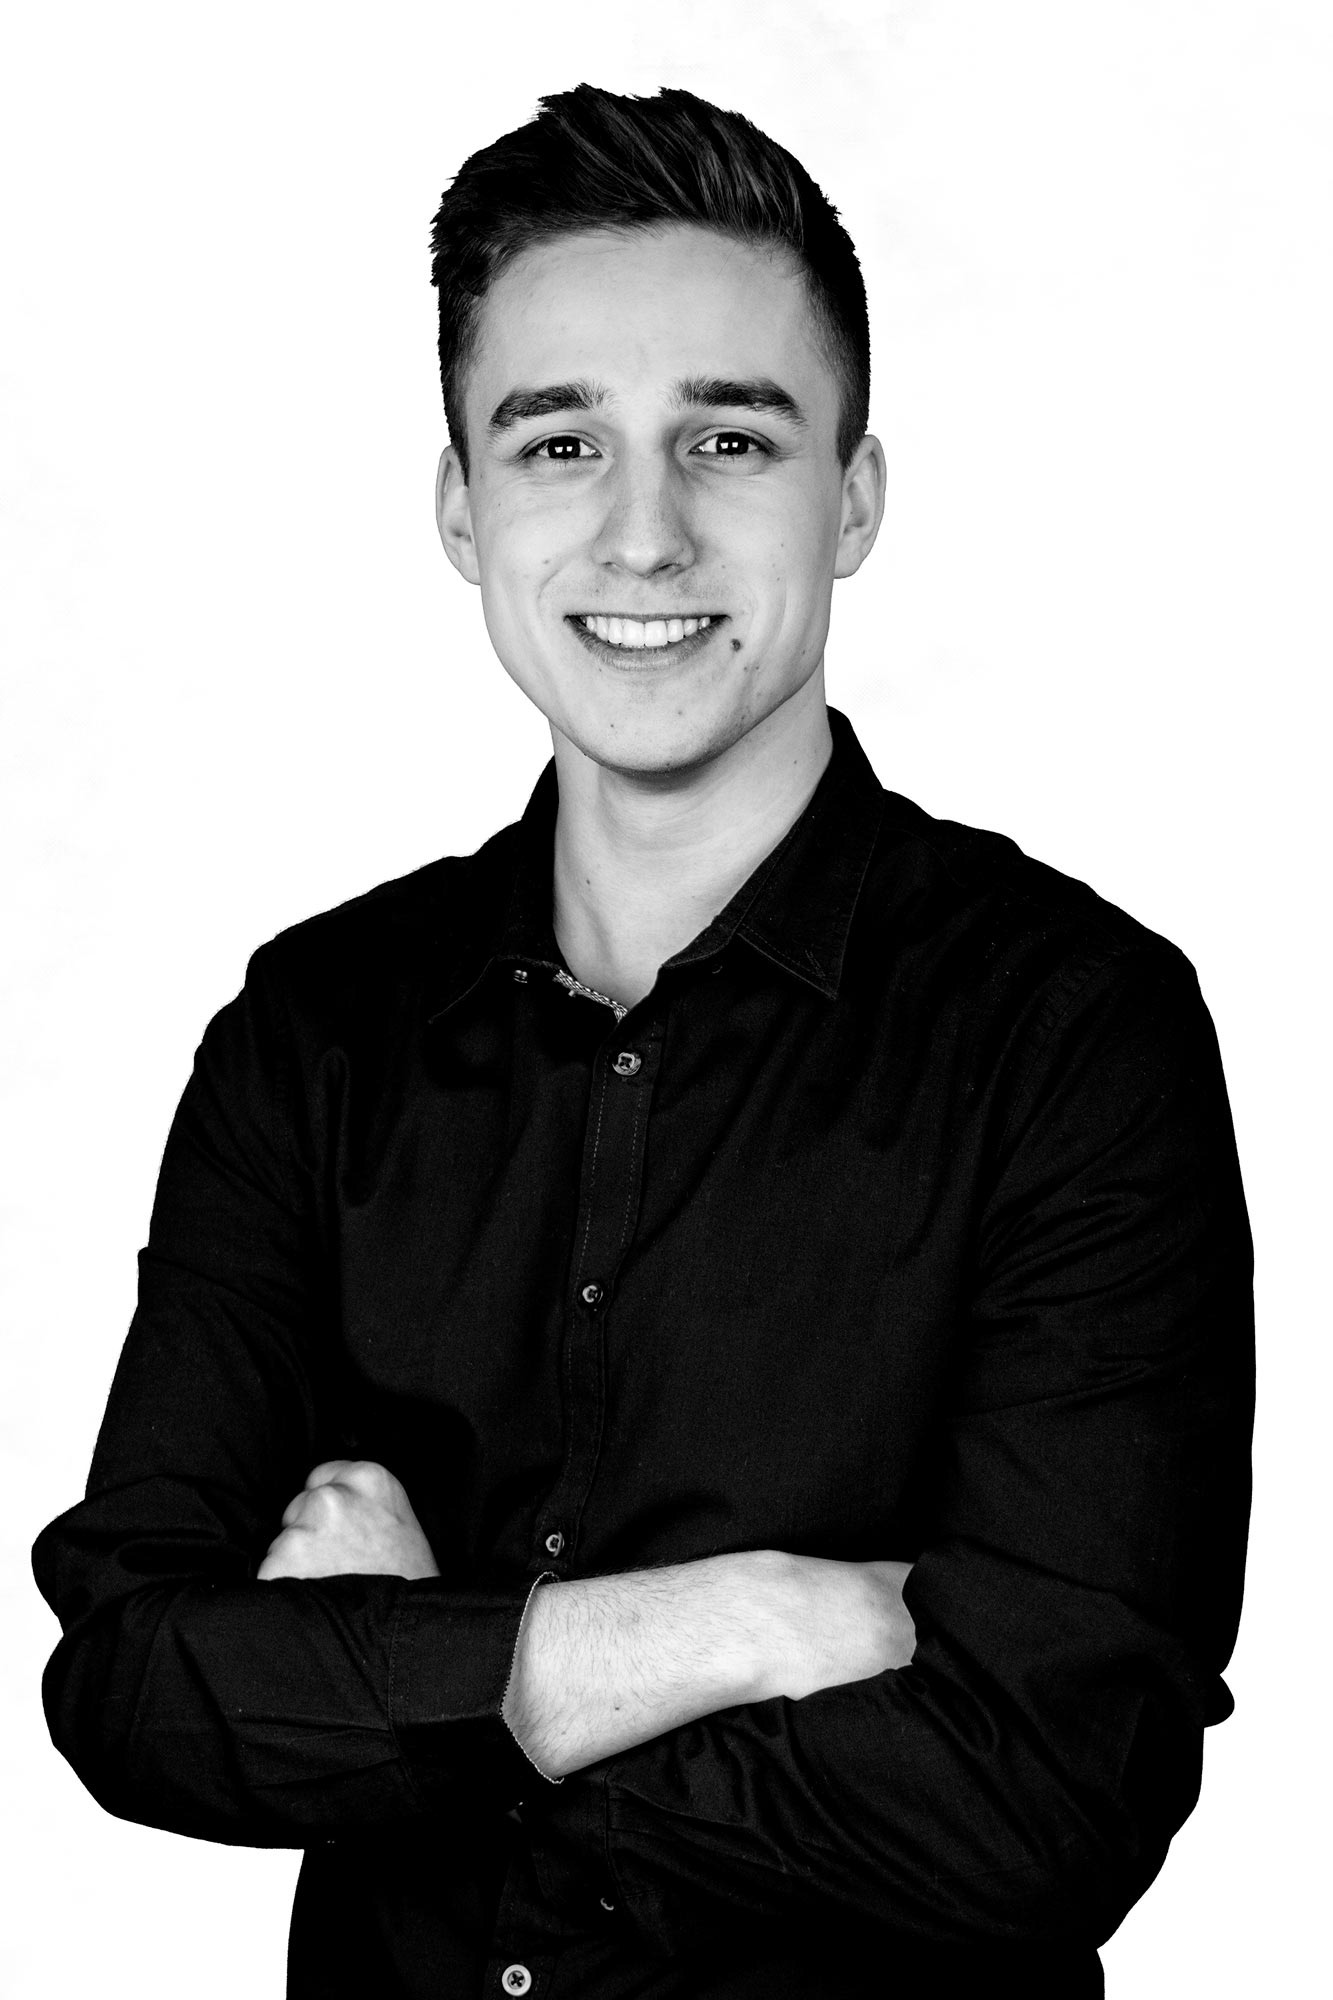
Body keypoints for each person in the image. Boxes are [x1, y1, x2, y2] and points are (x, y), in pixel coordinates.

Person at [33, 84, 1252, 2000]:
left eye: (728, 439)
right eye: (558, 442)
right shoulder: (314, 1032)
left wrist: (418, 1669)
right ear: (462, 506)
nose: (644, 531)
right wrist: (734, 1626)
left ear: (852, 496)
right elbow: (132, 1691)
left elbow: (1048, 1798)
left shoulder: (1072, 1032)